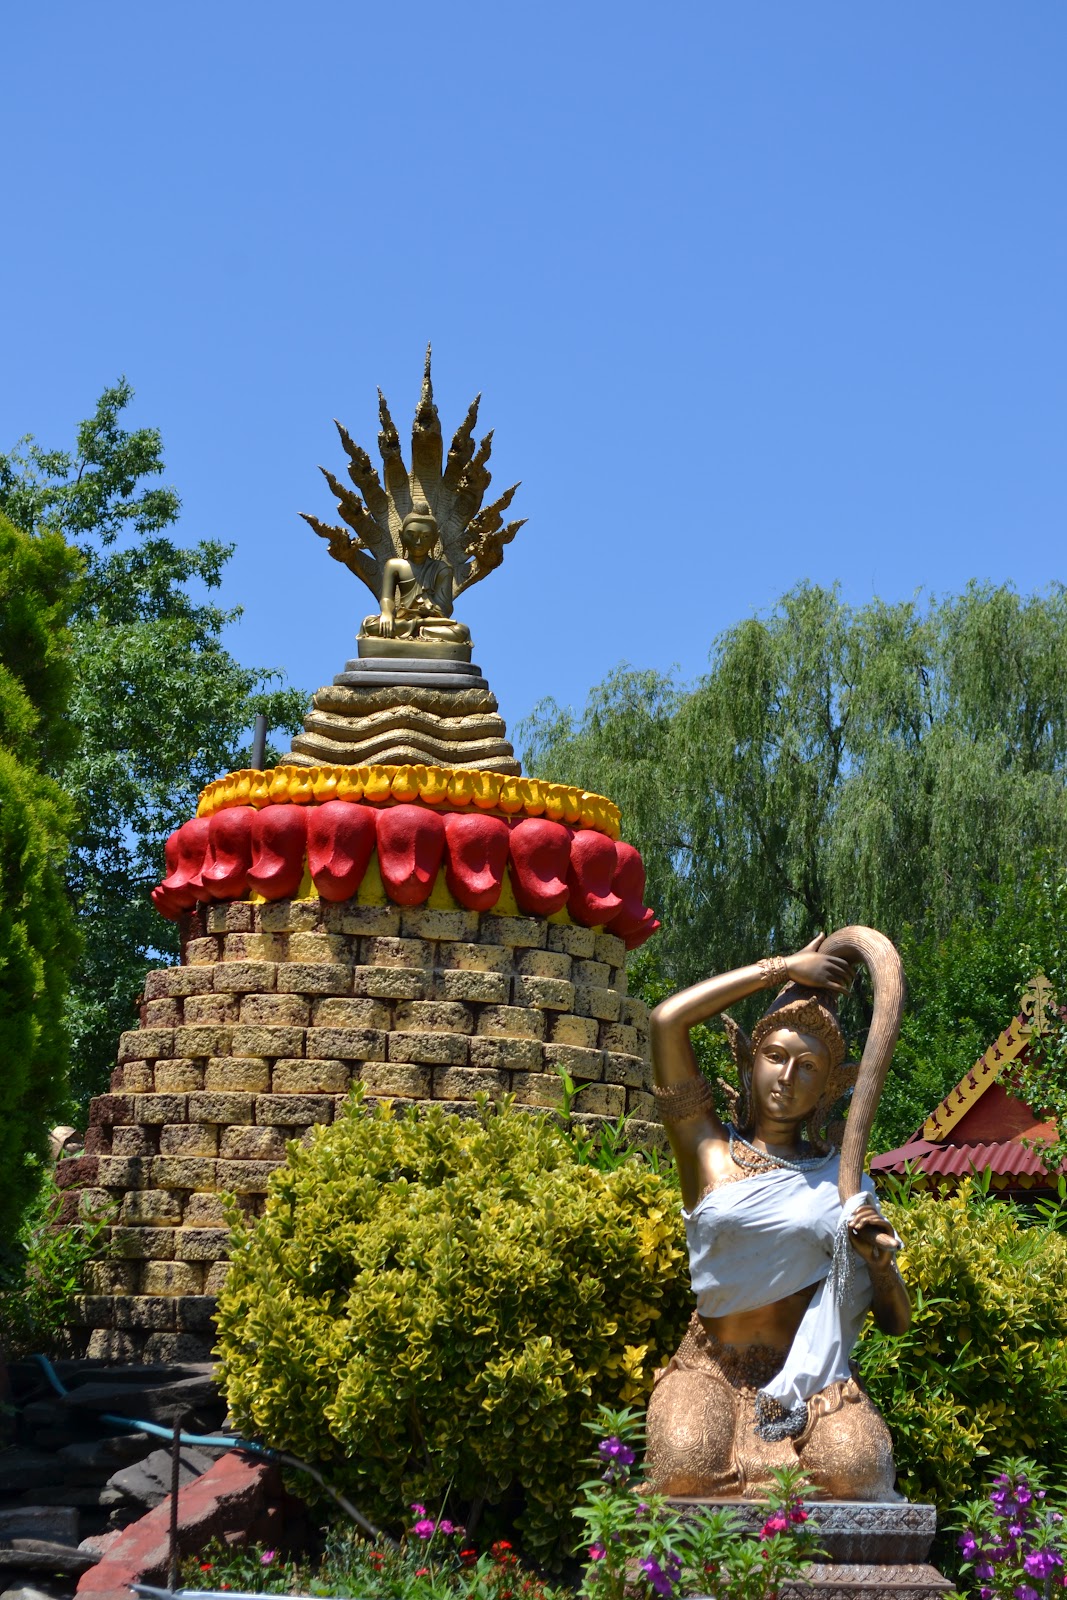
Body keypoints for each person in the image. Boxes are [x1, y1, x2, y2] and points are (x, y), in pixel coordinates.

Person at [646, 934, 911, 1500]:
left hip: (812, 1381)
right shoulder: (708, 1151)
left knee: (860, 1471)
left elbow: (896, 1323)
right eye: (775, 1057)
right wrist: (782, 968)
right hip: (714, 1367)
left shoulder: (843, 1184)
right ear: (750, 1062)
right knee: (685, 1465)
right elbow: (666, 1021)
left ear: (831, 1087)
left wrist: (881, 1265)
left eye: (808, 1066)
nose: (787, 1078)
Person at [360, 501, 471, 646]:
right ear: (401, 536)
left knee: (461, 631)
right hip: (402, 620)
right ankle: (420, 632)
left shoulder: (441, 568)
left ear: (435, 539)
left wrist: (429, 607)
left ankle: (417, 631)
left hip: (429, 622)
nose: (418, 542)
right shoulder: (394, 566)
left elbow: (445, 608)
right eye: (411, 535)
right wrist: (387, 613)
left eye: (425, 536)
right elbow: (387, 598)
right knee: (368, 625)